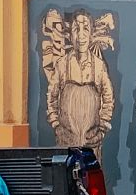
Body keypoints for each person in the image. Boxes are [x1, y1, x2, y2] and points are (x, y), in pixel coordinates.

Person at [45, 9, 116, 161]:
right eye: (76, 29)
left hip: (92, 143)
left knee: (92, 181)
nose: (81, 35)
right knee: (65, 181)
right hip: (66, 142)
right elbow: (51, 97)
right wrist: (57, 126)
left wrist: (101, 129)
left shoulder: (98, 66)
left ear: (91, 35)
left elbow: (108, 98)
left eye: (86, 29)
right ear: (70, 35)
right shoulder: (62, 65)